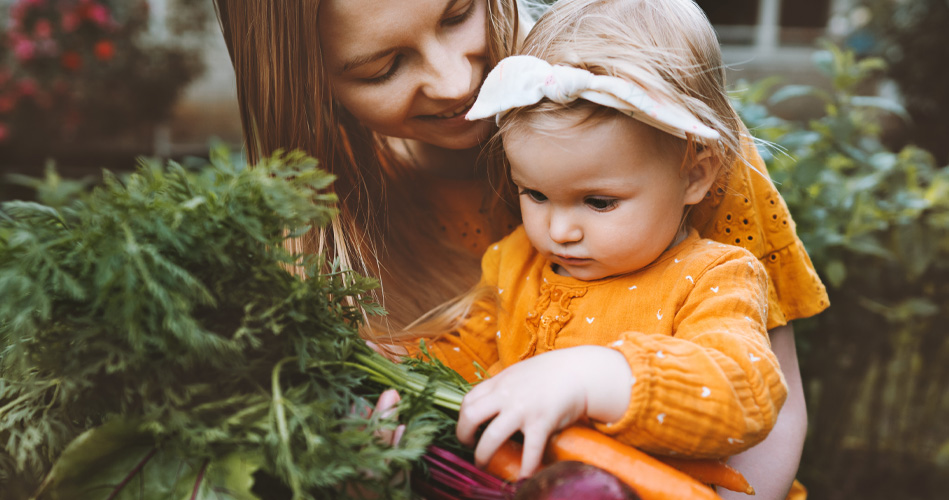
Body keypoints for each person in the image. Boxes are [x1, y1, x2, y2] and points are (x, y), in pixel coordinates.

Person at [212, 1, 828, 498]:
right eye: (382, 67)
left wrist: (596, 375)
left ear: (696, 174)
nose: (458, 81)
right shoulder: (513, 262)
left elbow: (756, 391)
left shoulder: (662, 127)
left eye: (457, 15)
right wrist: (379, 392)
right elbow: (467, 360)